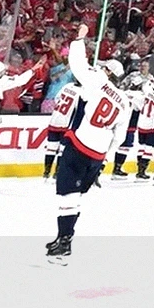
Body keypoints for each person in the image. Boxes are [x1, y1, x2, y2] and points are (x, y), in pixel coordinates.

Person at [47, 30, 131, 264]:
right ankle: (63, 237)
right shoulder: (125, 102)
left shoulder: (98, 82)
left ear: (109, 74)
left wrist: (79, 39)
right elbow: (119, 137)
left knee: (67, 196)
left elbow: (77, 64)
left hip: (79, 145)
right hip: (98, 154)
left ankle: (65, 241)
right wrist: (105, 159)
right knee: (76, 197)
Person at [42, 81, 80, 181]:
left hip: (54, 120)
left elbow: (56, 99)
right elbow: (79, 111)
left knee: (51, 148)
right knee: (62, 150)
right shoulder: (82, 92)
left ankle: (46, 172)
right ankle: (57, 173)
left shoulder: (68, 85)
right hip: (66, 124)